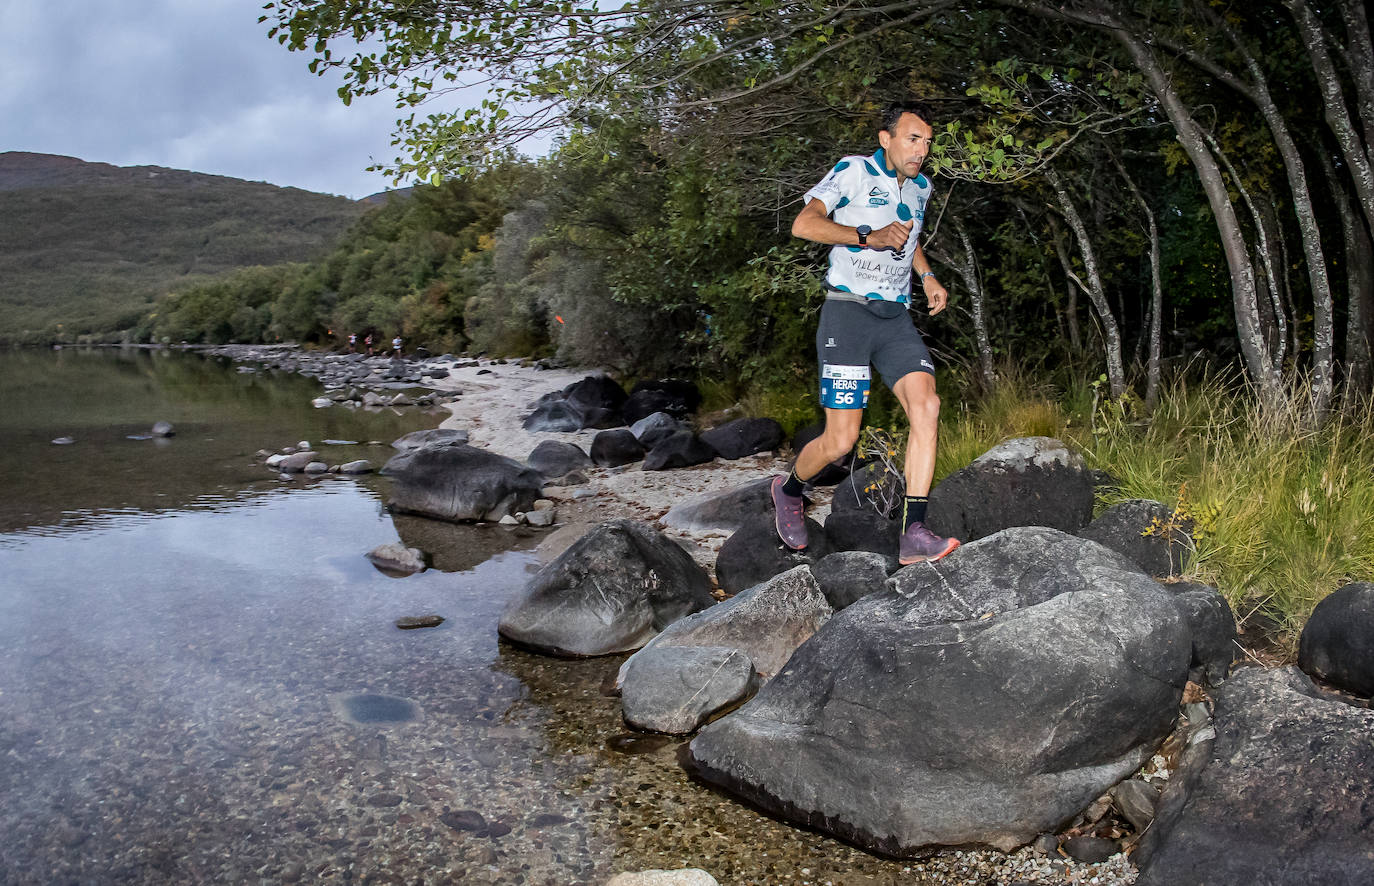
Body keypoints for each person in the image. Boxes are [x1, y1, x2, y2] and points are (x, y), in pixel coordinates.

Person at [772, 100, 961, 565]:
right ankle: (790, 489)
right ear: (887, 139)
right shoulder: (854, 172)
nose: (922, 150)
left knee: (928, 405)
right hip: (847, 316)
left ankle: (913, 531)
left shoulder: (921, 188)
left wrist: (928, 276)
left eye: (928, 142)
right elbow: (804, 225)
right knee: (841, 441)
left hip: (894, 317)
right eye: (913, 139)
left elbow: (909, 238)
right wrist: (865, 236)